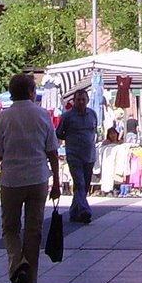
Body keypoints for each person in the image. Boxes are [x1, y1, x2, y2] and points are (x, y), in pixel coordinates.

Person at [0, 73, 60, 283]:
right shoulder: (42, 116)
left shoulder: (4, 118)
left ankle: (18, 264)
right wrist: (56, 181)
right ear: (30, 91)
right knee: (33, 231)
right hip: (38, 178)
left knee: (10, 228)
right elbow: (52, 151)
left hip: (11, 180)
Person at [55, 87, 97, 224]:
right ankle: (85, 211)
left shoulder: (92, 114)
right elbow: (59, 133)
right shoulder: (67, 116)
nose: (81, 102)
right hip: (74, 155)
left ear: (87, 100)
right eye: (78, 100)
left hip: (89, 155)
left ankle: (74, 212)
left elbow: (94, 131)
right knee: (79, 183)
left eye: (83, 100)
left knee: (84, 186)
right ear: (73, 101)